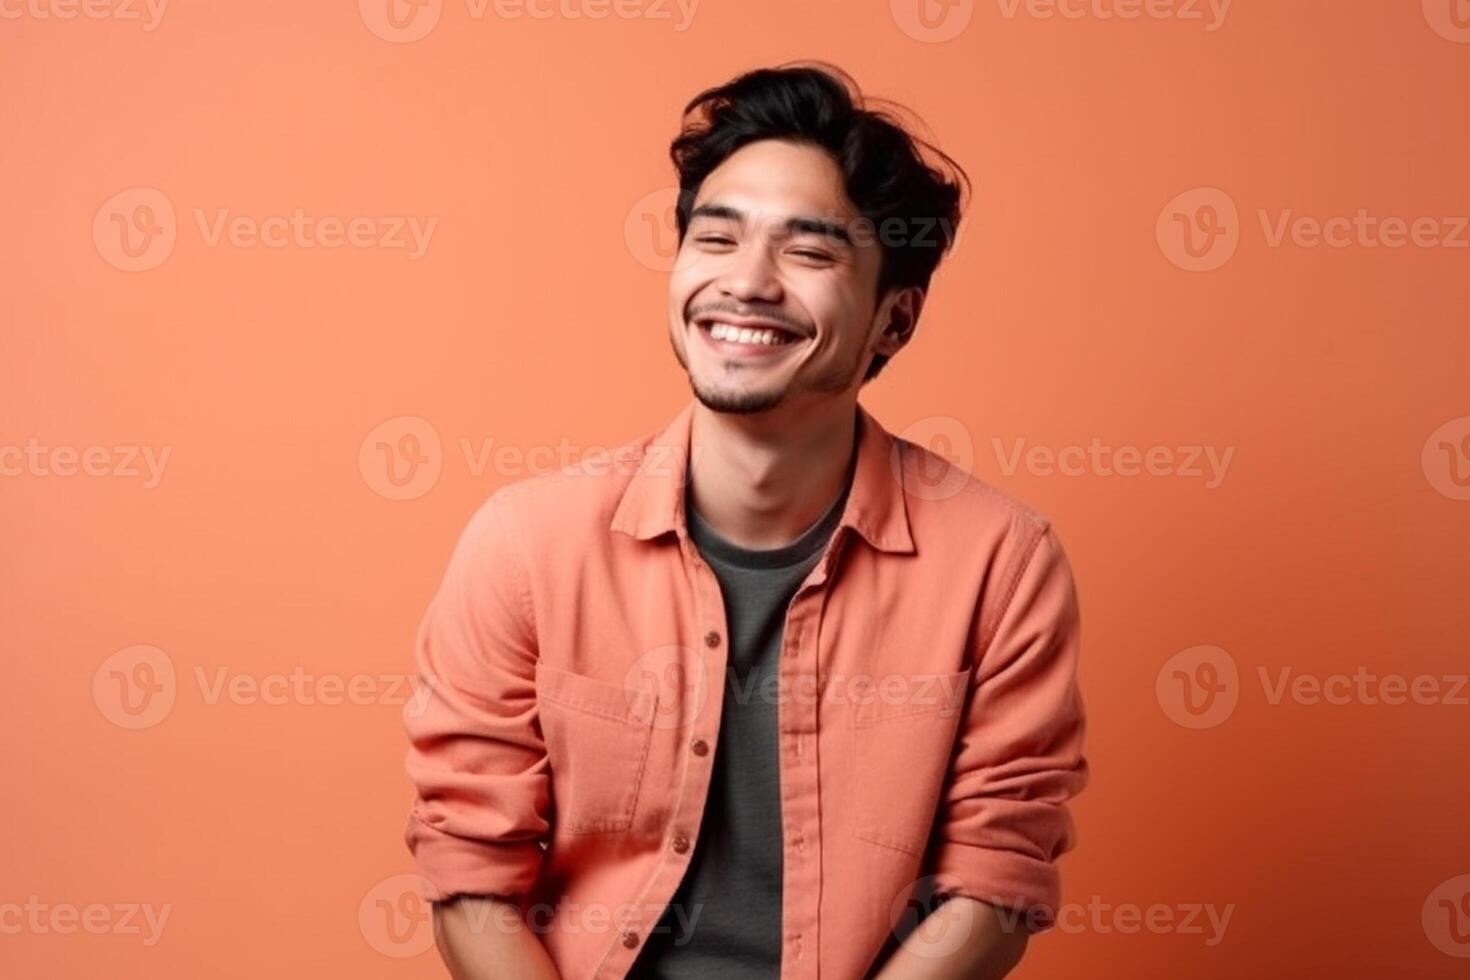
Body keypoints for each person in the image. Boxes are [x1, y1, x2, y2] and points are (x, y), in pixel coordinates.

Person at [402, 61, 1089, 980]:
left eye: (809, 253)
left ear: (896, 318)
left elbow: (994, 885)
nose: (747, 284)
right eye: (715, 239)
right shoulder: (525, 544)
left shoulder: (1001, 563)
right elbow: (469, 882)